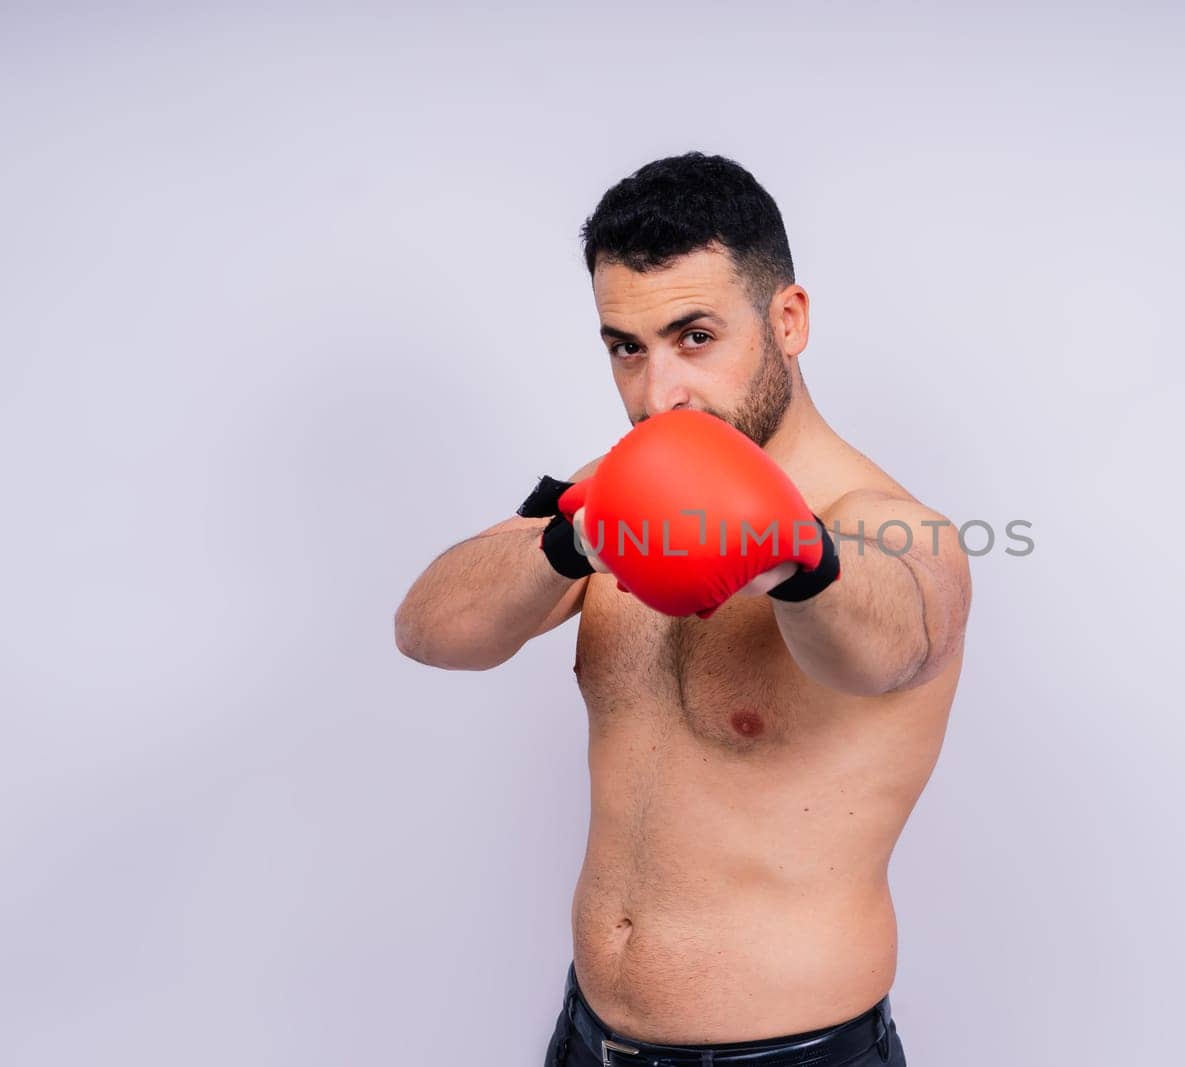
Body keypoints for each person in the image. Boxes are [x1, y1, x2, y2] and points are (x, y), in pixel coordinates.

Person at [394, 152, 971, 1066]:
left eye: (693, 335)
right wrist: (568, 533)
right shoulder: (613, 495)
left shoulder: (894, 530)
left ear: (789, 319)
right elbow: (429, 630)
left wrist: (792, 552)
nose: (658, 392)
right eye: (626, 346)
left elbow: (885, 643)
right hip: (588, 1039)